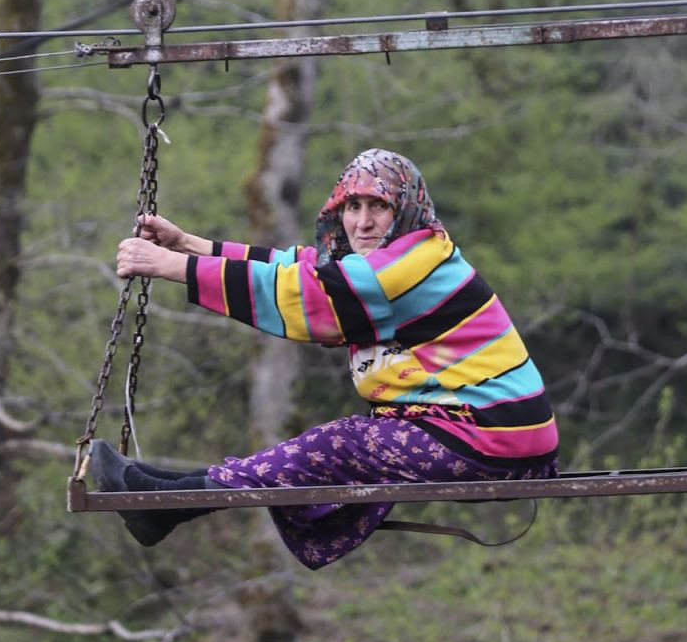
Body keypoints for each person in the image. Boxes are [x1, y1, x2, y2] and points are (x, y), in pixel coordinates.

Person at [89, 148, 559, 569]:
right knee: (342, 445)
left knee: (342, 443)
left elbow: (306, 294)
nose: (363, 222)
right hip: (485, 432)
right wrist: (192, 246)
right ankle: (166, 496)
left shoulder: (409, 265)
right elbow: (300, 268)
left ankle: (168, 501)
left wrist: (171, 267)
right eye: (353, 207)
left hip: (493, 437)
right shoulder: (407, 255)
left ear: (407, 210)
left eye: (380, 206)